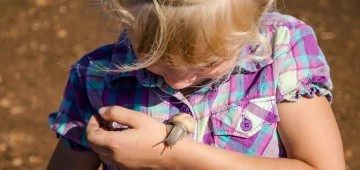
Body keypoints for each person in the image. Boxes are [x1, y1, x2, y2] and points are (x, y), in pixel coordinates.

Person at [47, 0, 346, 169]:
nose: (178, 80)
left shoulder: (281, 51)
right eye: (153, 57)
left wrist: (177, 157)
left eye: (208, 63)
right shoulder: (97, 78)